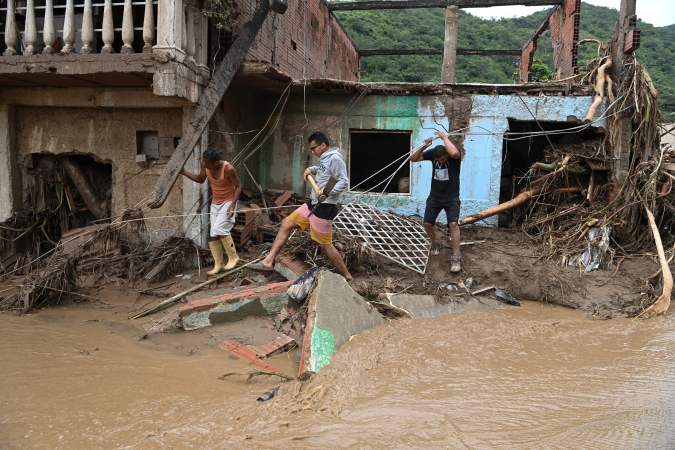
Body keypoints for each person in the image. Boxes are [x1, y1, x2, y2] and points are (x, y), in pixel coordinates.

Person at [252, 131, 352, 280]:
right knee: (286, 223)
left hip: (324, 208)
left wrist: (327, 193)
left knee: (326, 246)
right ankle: (268, 261)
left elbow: (344, 181)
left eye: (314, 148)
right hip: (312, 204)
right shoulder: (326, 158)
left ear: (323, 145)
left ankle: (347, 275)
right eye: (310, 149)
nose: (312, 151)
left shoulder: (336, 159)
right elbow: (325, 172)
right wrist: (312, 170)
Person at [180, 147, 241, 275]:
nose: (204, 164)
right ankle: (218, 264)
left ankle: (234, 257)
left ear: (215, 162)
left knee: (220, 229)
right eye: (204, 162)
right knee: (213, 233)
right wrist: (184, 172)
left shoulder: (228, 168)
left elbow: (239, 186)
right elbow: (200, 179)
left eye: (207, 163)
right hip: (215, 203)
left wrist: (232, 205)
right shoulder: (206, 165)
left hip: (228, 201)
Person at [411, 130, 464, 273]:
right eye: (439, 160)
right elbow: (413, 158)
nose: (441, 161)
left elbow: (454, 153)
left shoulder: (454, 156)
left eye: (443, 159)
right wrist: (424, 146)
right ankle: (435, 243)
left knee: (453, 224)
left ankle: (456, 256)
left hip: (452, 197)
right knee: (427, 223)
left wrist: (444, 137)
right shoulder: (433, 154)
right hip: (435, 197)